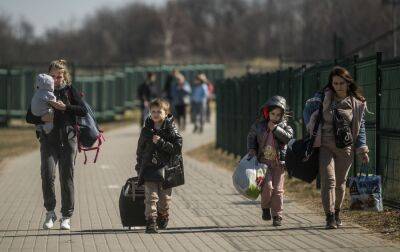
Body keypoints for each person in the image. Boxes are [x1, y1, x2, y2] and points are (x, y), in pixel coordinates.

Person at [303, 66, 369, 229]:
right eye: (335, 83)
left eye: (341, 83)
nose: (338, 86)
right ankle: (329, 216)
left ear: (348, 83)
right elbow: (306, 112)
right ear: (331, 84)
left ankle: (337, 212)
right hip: (324, 145)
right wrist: (310, 126)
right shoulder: (321, 99)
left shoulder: (357, 103)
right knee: (328, 180)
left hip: (345, 148)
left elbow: (360, 128)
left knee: (340, 183)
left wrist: (362, 149)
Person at [26, 59, 88, 230]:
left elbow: (83, 111)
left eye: (59, 76)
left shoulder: (69, 91)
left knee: (66, 176)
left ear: (64, 77)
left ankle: (66, 216)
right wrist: (41, 119)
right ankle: (50, 211)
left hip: (68, 139)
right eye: (52, 76)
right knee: (47, 173)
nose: (56, 80)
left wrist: (65, 108)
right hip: (48, 139)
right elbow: (28, 116)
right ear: (48, 76)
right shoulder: (41, 92)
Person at [135, 98, 182, 233]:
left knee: (165, 199)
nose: (155, 114)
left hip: (167, 169)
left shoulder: (171, 129)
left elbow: (177, 148)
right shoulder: (146, 130)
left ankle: (163, 215)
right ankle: (151, 221)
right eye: (153, 111)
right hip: (149, 168)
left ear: (166, 113)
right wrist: (139, 166)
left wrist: (161, 142)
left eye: (159, 111)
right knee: (151, 197)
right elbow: (140, 150)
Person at [247, 96, 293, 226]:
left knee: (278, 190)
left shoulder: (285, 127)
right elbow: (251, 137)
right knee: (267, 187)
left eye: (278, 115)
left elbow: (288, 138)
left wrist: (275, 128)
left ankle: (277, 215)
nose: (275, 117)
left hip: (279, 164)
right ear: (267, 112)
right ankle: (265, 207)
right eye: (273, 114)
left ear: (282, 115)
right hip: (263, 163)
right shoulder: (258, 126)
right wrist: (252, 149)